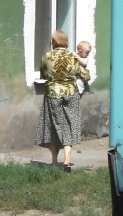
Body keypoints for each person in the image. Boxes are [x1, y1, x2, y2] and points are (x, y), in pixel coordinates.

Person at [36, 30, 90, 171]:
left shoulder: (48, 56)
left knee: (53, 127)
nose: (51, 43)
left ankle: (54, 161)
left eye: (52, 40)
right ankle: (67, 159)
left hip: (53, 94)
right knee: (69, 125)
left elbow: (43, 75)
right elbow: (85, 74)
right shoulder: (73, 56)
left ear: (55, 42)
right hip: (71, 93)